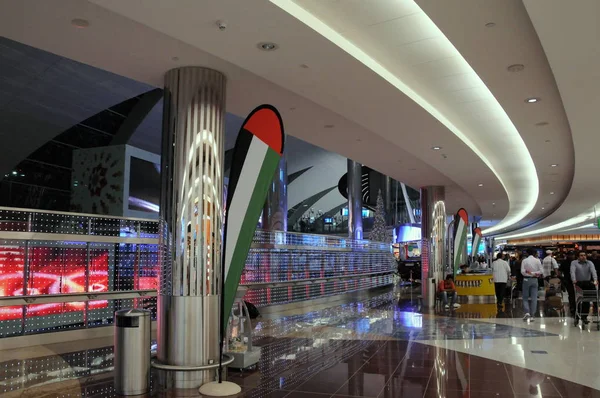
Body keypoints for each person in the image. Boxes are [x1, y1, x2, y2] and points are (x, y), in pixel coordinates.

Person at [570, 251, 599, 324]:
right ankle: (577, 314)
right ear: (578, 256)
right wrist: (574, 280)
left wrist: (595, 280)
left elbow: (593, 271)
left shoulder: (590, 263)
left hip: (587, 283)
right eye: (581, 255)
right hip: (578, 283)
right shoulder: (574, 263)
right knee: (578, 300)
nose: (583, 257)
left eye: (584, 255)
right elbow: (572, 271)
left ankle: (584, 316)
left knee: (587, 300)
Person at [521, 248, 543, 322]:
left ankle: (527, 312)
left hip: (526, 279)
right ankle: (533, 315)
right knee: (534, 298)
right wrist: (534, 273)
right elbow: (541, 271)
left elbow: (522, 272)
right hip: (534, 280)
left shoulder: (524, 261)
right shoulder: (537, 260)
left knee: (525, 297)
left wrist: (529, 273)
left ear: (527, 254)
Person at [560, 251, 576, 316]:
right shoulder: (564, 262)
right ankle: (572, 307)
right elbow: (560, 271)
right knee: (571, 294)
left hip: (577, 281)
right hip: (568, 281)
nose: (571, 256)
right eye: (570, 255)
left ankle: (576, 306)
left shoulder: (576, 262)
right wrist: (563, 279)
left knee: (576, 294)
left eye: (572, 255)